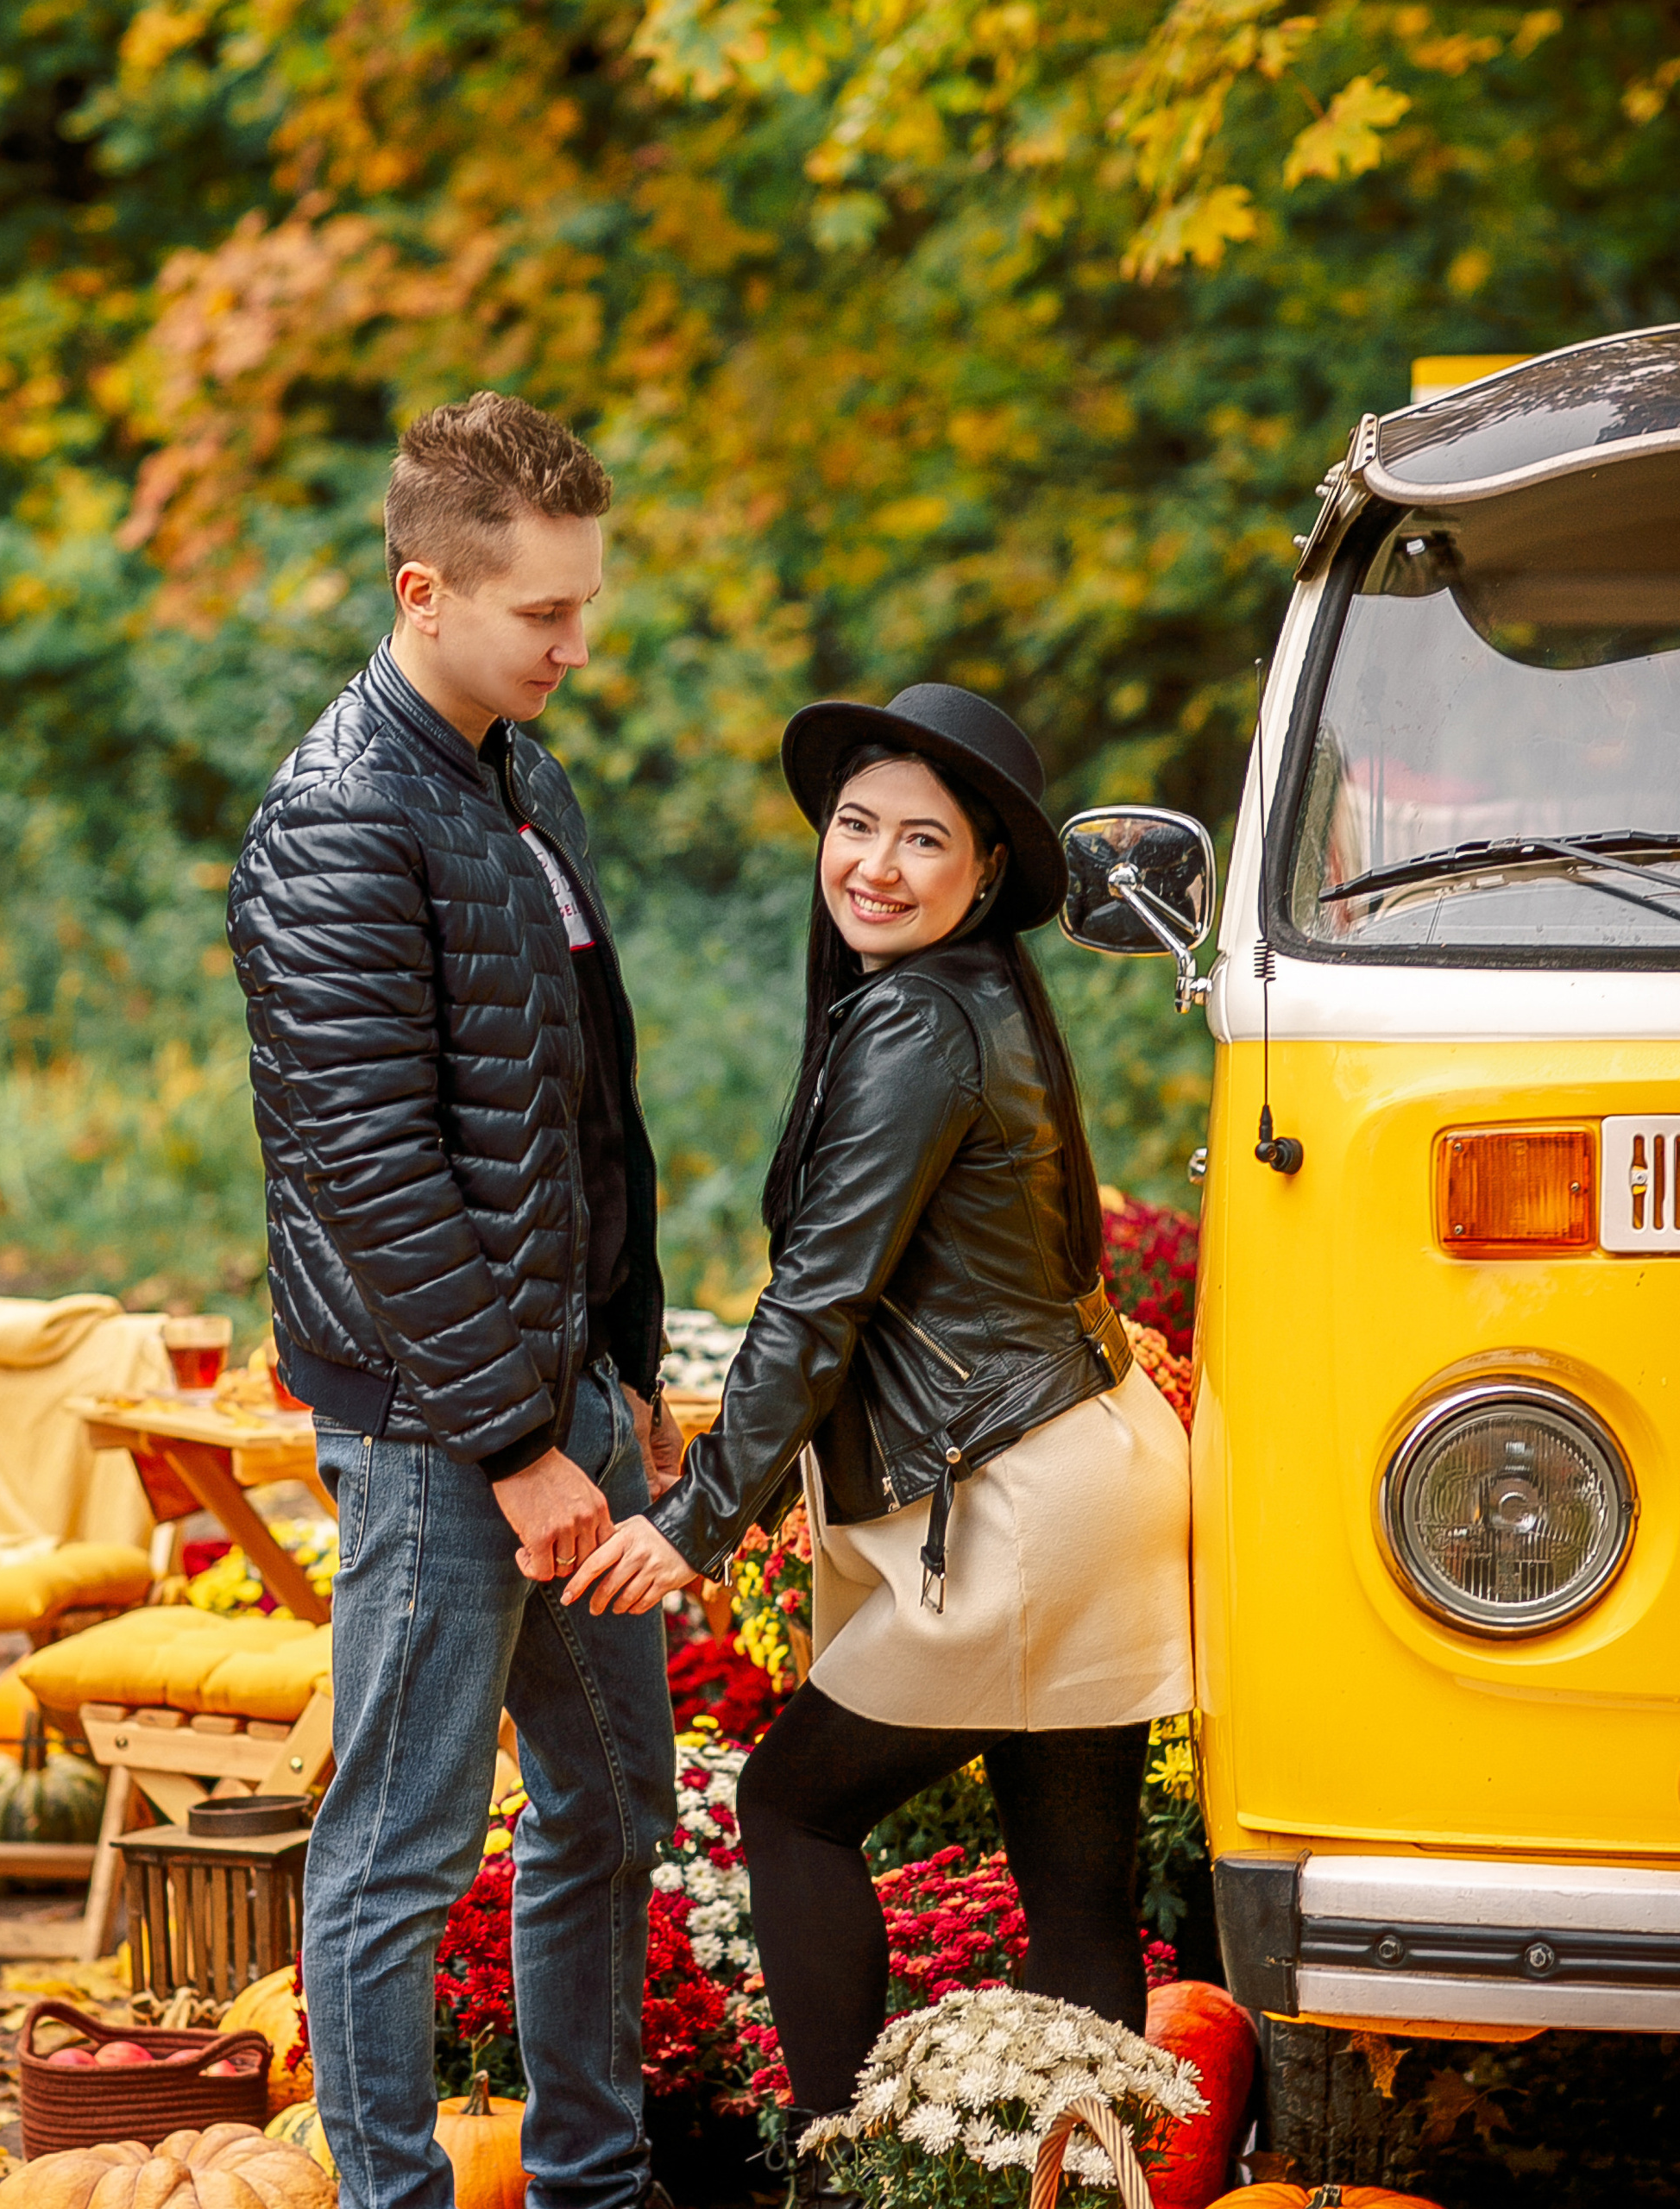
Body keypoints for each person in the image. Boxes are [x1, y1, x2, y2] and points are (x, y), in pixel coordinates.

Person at [565, 683, 1192, 2204]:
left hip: (1015, 1496)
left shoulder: (916, 1019)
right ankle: (1074, 2191)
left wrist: (694, 1516)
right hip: (1081, 1454)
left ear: (985, 871)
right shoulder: (965, 997)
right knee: (1076, 1890)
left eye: (926, 839)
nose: (877, 866)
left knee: (789, 1806)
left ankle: (838, 2179)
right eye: (856, 827)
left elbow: (816, 1306)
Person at [227, 392, 683, 2209]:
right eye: (543, 613)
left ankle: (590, 2175)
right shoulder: (340, 820)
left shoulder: (508, 762)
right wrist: (510, 1443)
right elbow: (374, 1168)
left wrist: (622, 1362)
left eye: (582, 604)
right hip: (439, 1431)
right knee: (396, 1853)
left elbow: (579, 1095)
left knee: (613, 1801)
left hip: (562, 1384)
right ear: (425, 590)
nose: (577, 643)